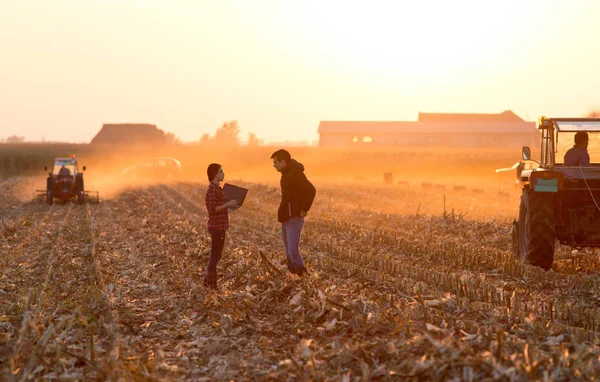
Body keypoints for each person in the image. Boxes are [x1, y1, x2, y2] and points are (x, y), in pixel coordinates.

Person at [271, 149, 316, 276]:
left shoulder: (295, 174)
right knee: (288, 253)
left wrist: (304, 209)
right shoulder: (286, 174)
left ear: (283, 162)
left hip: (294, 218)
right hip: (286, 218)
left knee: (293, 252)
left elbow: (311, 190)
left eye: (275, 162)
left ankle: (305, 278)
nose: (274, 165)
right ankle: (296, 278)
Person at [203, 163, 237, 290]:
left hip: (221, 225)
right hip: (216, 226)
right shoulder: (212, 189)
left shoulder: (218, 188)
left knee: (217, 255)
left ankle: (208, 282)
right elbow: (212, 209)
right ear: (215, 174)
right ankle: (211, 284)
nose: (223, 174)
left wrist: (231, 205)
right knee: (215, 255)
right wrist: (228, 204)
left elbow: (220, 207)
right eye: (221, 171)